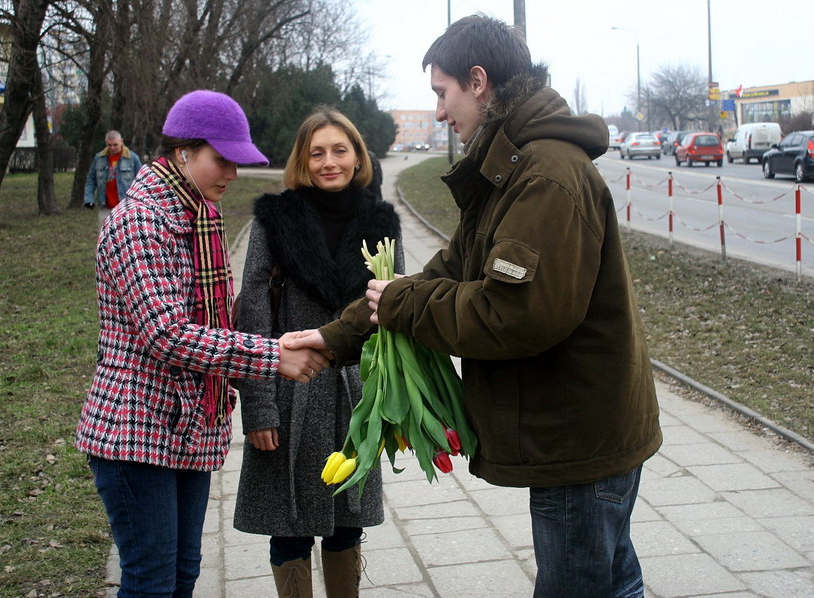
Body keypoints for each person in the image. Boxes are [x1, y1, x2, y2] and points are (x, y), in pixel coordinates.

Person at [285, 16, 662, 598]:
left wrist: (405, 303)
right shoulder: (514, 165)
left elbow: (515, 314)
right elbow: (451, 269)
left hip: (576, 437)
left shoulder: (546, 174)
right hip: (576, 429)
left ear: (479, 80)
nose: (439, 111)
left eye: (443, 92)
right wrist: (338, 336)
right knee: (613, 583)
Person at [75, 90, 331, 598]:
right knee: (151, 583)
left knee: (183, 575)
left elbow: (212, 319)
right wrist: (272, 355)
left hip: (185, 426)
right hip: (136, 432)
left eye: (238, 162)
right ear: (183, 151)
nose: (232, 174)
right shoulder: (143, 221)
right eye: (222, 160)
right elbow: (166, 334)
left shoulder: (197, 213)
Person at [233, 107, 403, 598]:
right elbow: (255, 317)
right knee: (287, 526)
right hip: (289, 392)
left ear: (357, 157)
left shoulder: (381, 221)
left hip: (356, 399)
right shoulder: (275, 220)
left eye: (339, 150)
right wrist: (259, 407)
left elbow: (393, 317)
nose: (329, 161)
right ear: (302, 161)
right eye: (317, 152)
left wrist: (387, 407)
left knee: (347, 522)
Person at [83, 130, 143, 228]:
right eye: (109, 145)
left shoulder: (132, 158)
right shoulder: (99, 158)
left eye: (115, 145)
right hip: (105, 207)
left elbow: (141, 181)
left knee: (125, 239)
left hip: (126, 207)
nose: (112, 148)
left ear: (121, 142)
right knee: (105, 240)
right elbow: (91, 180)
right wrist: (89, 198)